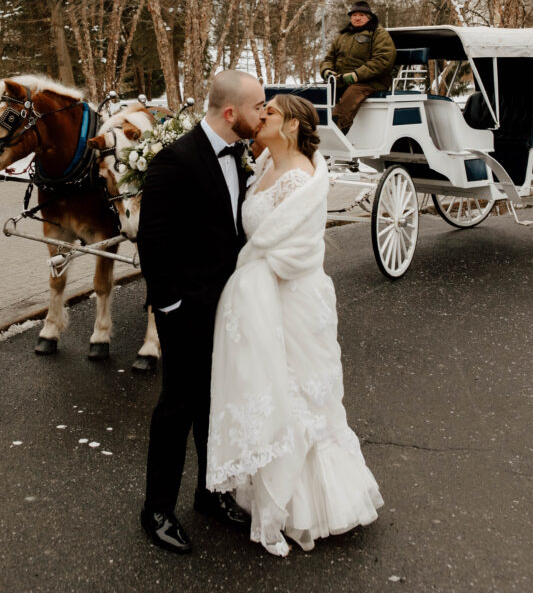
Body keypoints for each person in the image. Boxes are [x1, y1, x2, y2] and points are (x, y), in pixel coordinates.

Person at [207, 94, 383, 557]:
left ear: (289, 127)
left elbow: (300, 253)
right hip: (262, 299)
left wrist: (251, 273)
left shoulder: (303, 178)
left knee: (301, 396)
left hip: (293, 302)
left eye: (269, 113)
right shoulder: (264, 166)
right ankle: (266, 485)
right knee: (270, 392)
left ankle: (309, 505)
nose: (260, 117)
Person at [137, 70, 267, 554]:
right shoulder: (175, 161)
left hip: (231, 306)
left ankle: (211, 494)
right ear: (231, 113)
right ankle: (157, 510)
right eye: (258, 105)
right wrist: (169, 305)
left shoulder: (243, 155)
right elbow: (153, 242)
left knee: (217, 405)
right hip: (186, 309)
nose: (264, 112)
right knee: (178, 406)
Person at [320, 0, 396, 133]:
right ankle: (314, 127)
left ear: (369, 17)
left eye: (361, 15)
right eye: (354, 15)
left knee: (353, 92)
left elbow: (383, 60)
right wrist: (327, 71)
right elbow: (329, 58)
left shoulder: (379, 34)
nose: (357, 18)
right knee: (318, 92)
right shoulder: (343, 36)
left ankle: (337, 131)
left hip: (372, 82)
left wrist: (356, 75)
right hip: (342, 80)